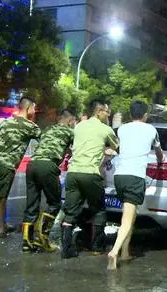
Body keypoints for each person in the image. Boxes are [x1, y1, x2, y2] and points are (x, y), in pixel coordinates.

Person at [0, 97, 41, 242]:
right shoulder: (30, 126)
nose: (34, 112)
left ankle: (3, 227)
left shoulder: (6, 122)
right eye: (34, 108)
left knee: (1, 198)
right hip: (6, 166)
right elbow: (45, 140)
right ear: (28, 108)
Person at [107, 100, 164, 270]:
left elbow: (118, 147)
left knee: (131, 216)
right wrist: (161, 159)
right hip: (135, 177)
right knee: (126, 219)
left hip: (119, 177)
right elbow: (159, 153)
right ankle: (115, 251)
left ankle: (125, 252)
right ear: (145, 115)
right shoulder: (151, 129)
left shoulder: (122, 129)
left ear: (130, 115)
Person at [61, 99, 119, 259]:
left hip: (73, 173)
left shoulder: (79, 126)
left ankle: (66, 249)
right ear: (99, 112)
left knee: (70, 212)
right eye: (107, 112)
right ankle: (96, 246)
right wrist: (105, 150)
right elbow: (115, 146)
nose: (108, 115)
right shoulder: (106, 129)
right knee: (99, 209)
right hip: (91, 174)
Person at [22, 109, 76, 252]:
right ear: (70, 121)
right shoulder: (70, 132)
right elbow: (75, 149)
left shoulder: (47, 129)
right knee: (55, 203)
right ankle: (42, 236)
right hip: (48, 166)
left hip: (32, 165)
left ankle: (27, 243)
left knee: (32, 204)